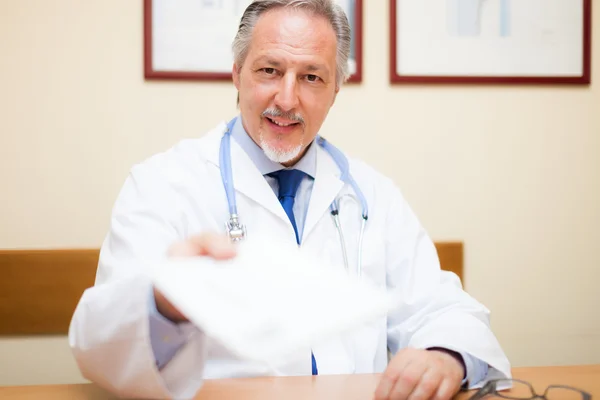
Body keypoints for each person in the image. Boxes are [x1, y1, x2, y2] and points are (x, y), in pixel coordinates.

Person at [68, 1, 511, 399]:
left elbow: (441, 308)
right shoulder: (163, 185)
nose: (286, 98)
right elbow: (100, 344)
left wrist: (445, 355)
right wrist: (163, 304)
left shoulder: (373, 194)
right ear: (237, 72)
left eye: (312, 77)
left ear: (336, 88)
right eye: (269, 70)